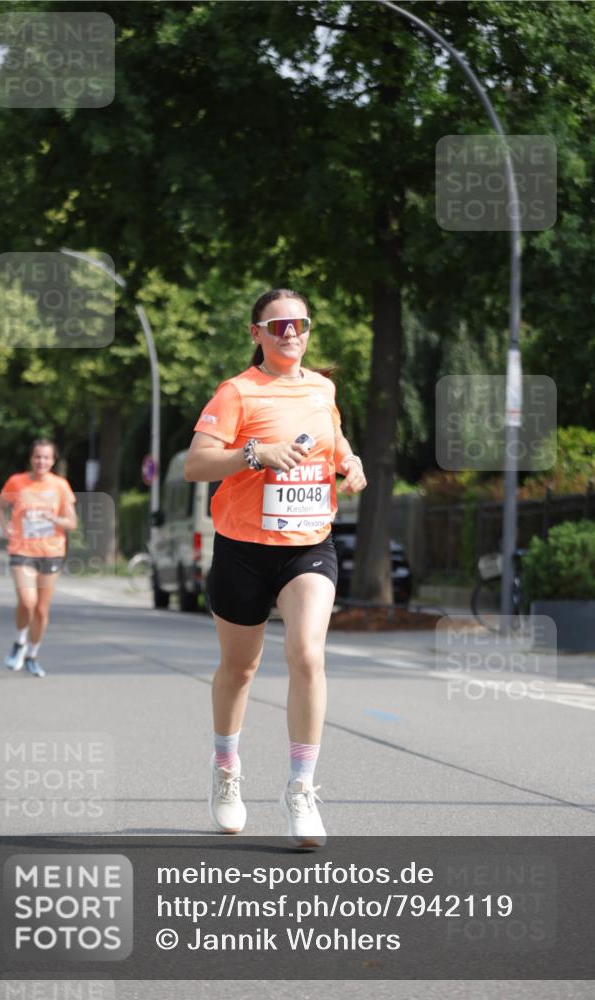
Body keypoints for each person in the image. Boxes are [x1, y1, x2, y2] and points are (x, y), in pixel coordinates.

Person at [184, 288, 367, 847]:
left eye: (300, 323)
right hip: (242, 548)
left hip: (308, 544)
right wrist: (252, 455)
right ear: (256, 333)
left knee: (308, 652)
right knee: (240, 670)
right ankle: (225, 770)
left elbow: (334, 444)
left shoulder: (323, 388)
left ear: (309, 330)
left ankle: (301, 789)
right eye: (278, 324)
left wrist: (352, 463)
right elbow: (195, 464)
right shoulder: (237, 392)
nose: (291, 332)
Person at [0, 439, 77, 678]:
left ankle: (32, 655)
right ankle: (20, 641)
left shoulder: (60, 486)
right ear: (31, 459)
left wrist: (54, 519)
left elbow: (72, 522)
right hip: (22, 549)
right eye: (38, 457)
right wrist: (4, 526)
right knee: (27, 602)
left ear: (53, 461)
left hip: (51, 551)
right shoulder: (16, 482)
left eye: (46, 458)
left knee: (41, 610)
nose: (42, 461)